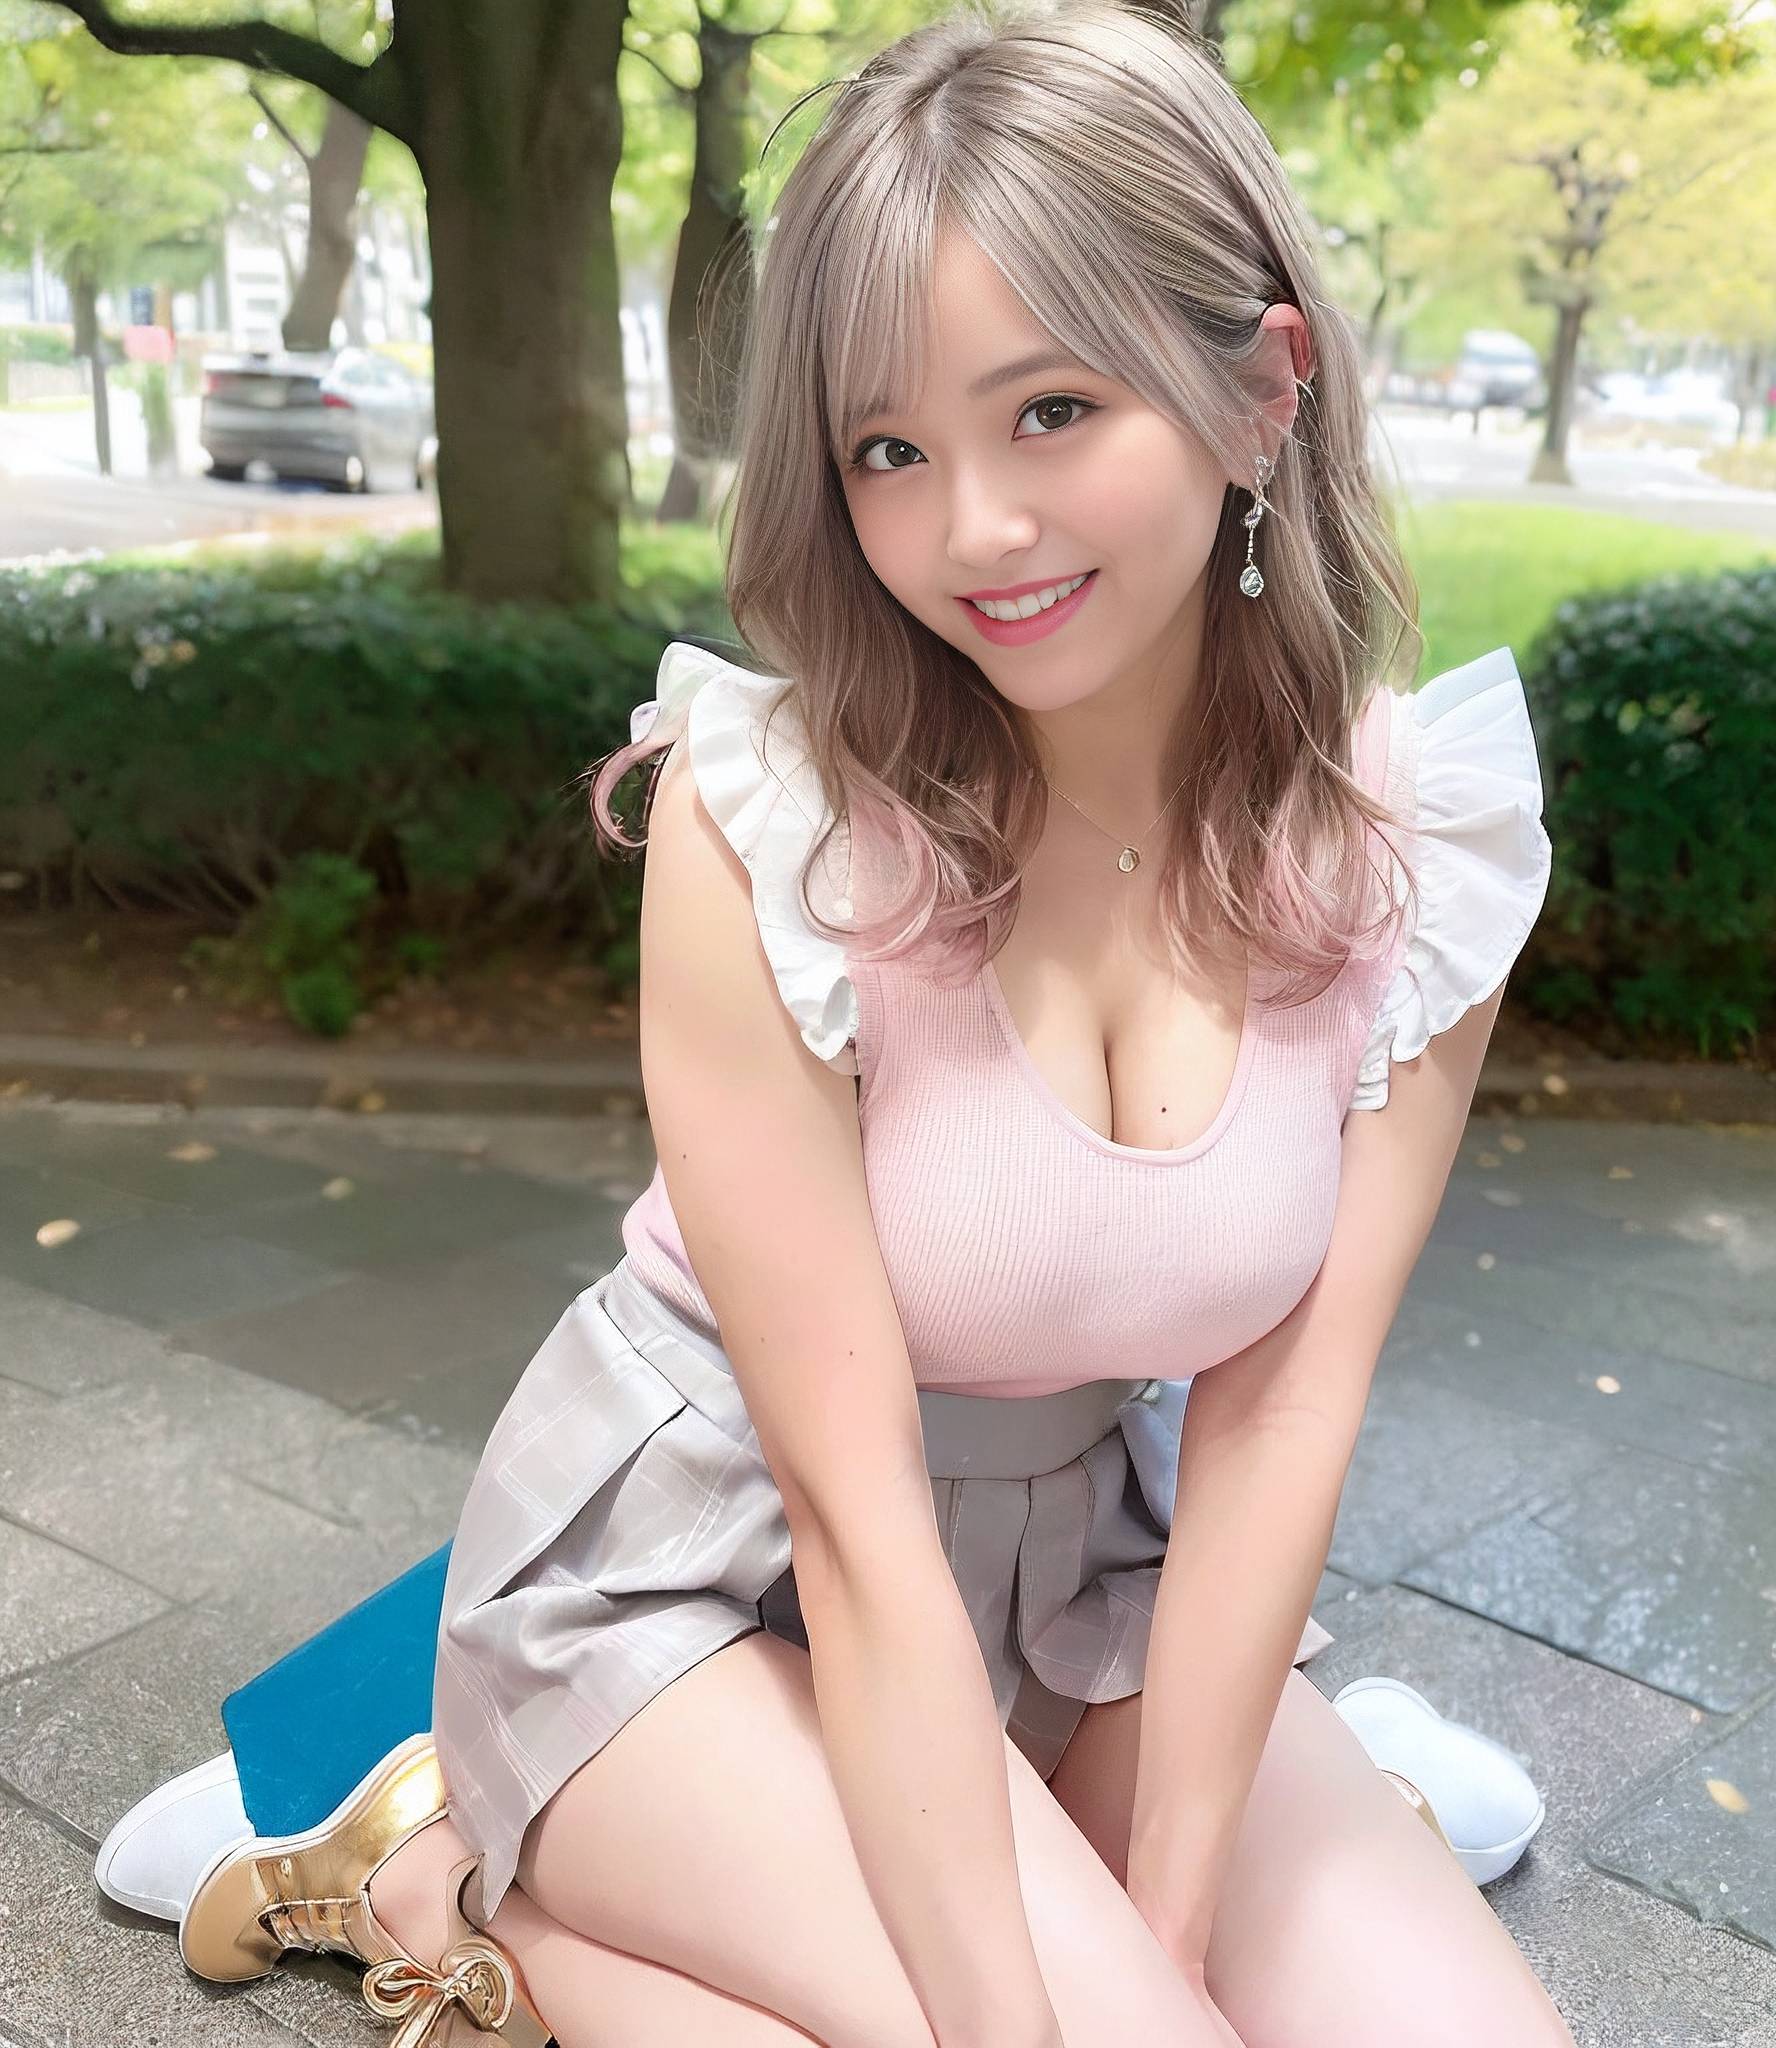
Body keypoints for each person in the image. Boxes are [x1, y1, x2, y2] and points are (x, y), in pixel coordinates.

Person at [110, 2, 1569, 2040]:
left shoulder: (1419, 842)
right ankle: (447, 1871)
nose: (971, 529)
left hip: (1083, 1585)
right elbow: (854, 1515)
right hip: (699, 1588)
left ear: (1260, 391)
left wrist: (1165, 1943)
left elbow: (1279, 1418)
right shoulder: (773, 825)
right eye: (889, 449)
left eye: (1051, 409)